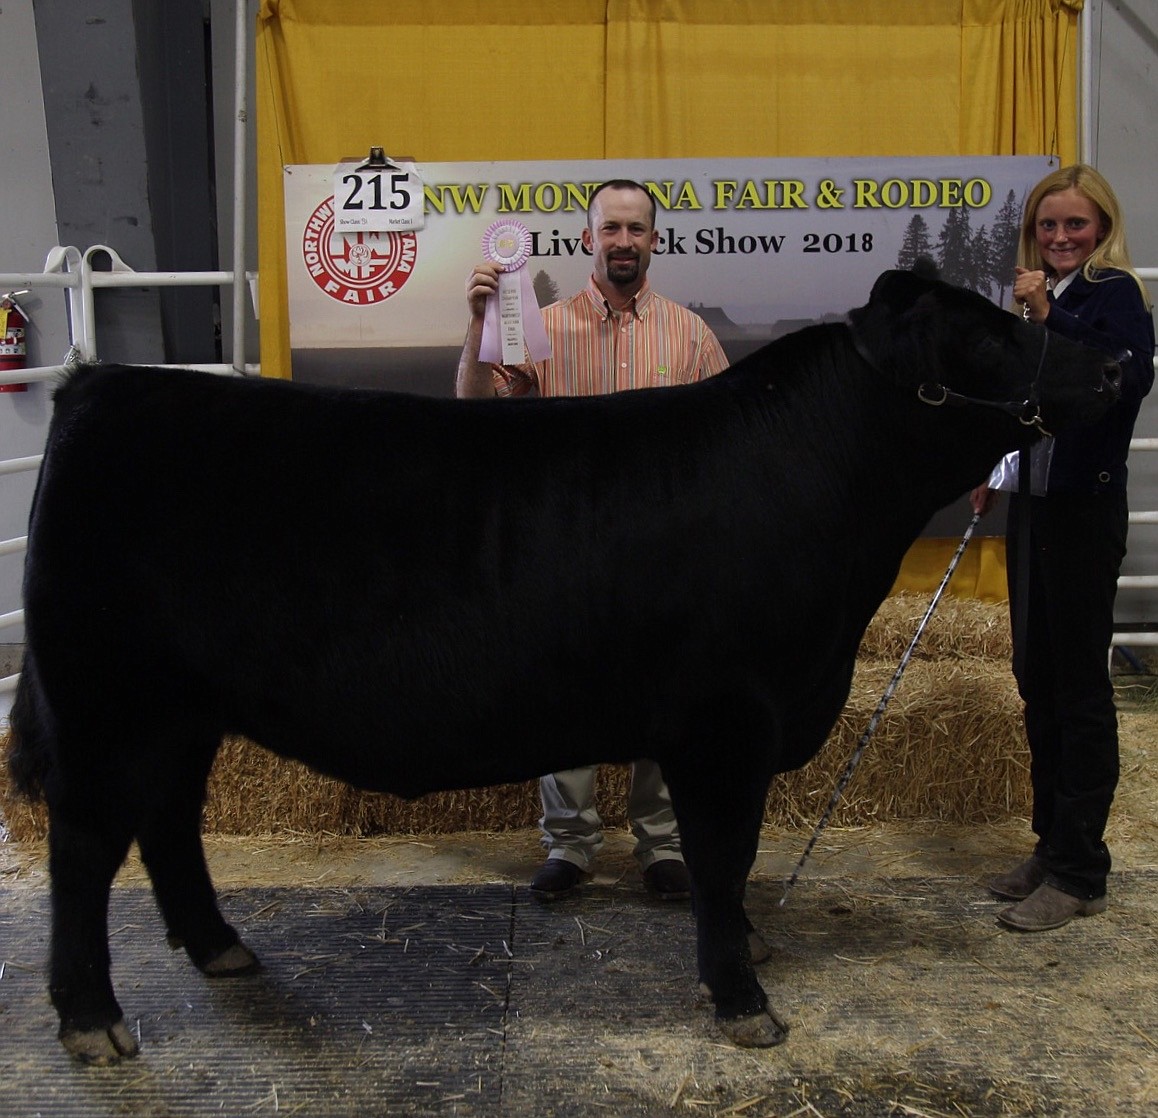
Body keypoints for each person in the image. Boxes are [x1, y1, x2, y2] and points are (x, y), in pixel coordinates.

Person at [456, 179, 729, 902]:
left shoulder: (691, 335)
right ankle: (571, 845)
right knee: (565, 693)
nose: (624, 242)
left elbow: (725, 443)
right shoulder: (537, 328)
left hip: (663, 550)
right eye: (611, 228)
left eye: (636, 230)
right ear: (589, 239)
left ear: (654, 242)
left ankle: (663, 846)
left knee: (664, 696)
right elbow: (472, 416)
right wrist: (477, 322)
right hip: (567, 545)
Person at [970, 163, 1155, 932]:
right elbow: (1018, 400)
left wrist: (1051, 316)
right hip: (1034, 511)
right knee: (1035, 676)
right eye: (1048, 226)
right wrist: (989, 464)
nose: (1060, 238)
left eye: (1075, 225)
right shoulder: (1032, 300)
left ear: (1103, 227)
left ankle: (1082, 870)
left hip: (1083, 514)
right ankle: (1052, 845)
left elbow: (1123, 378)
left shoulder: (1114, 299)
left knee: (1079, 688)